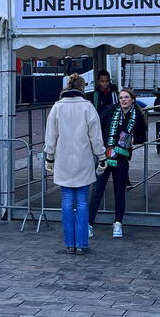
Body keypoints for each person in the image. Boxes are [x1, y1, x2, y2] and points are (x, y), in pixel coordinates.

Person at [44, 73, 106, 254]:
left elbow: (50, 135)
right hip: (83, 158)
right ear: (82, 88)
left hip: (63, 159)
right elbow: (96, 136)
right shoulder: (88, 107)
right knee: (82, 201)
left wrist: (50, 157)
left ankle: (69, 243)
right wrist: (101, 156)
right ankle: (81, 243)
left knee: (66, 200)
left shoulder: (57, 107)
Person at [89, 87, 148, 238]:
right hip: (106, 157)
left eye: (126, 97)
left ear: (133, 99)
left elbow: (142, 135)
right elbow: (99, 129)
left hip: (122, 158)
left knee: (119, 192)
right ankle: (88, 224)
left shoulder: (137, 116)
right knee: (97, 191)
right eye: (121, 97)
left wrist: (133, 140)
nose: (123, 100)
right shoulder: (110, 111)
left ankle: (118, 223)